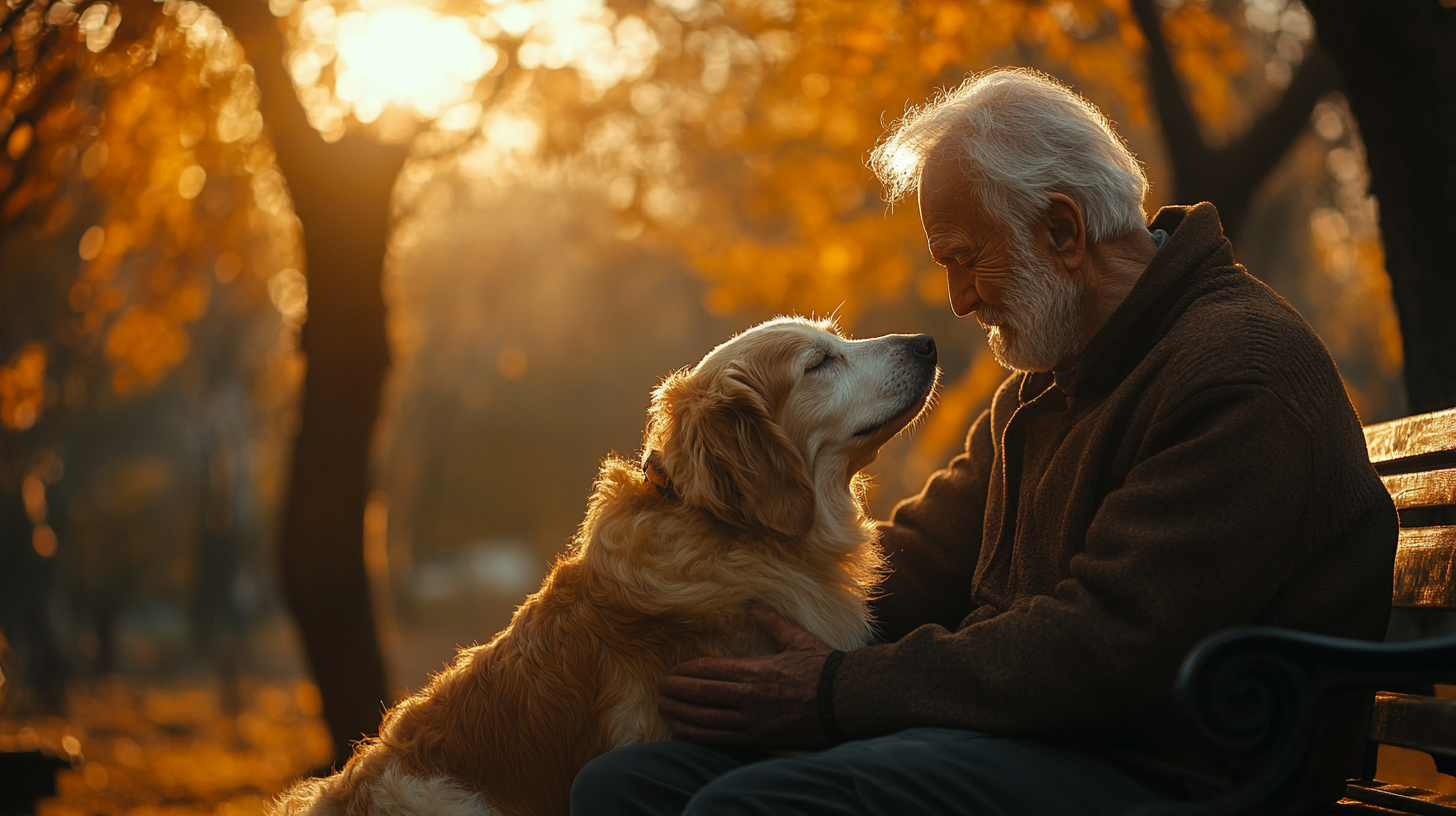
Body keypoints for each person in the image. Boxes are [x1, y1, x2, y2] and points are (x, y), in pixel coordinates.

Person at [571, 68, 1396, 816]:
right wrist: (705, 592)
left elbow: (1111, 644)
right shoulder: (1050, 383)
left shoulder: (1238, 375)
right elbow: (917, 563)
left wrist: (835, 692)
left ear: (1064, 233)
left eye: (967, 261)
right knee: (624, 788)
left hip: (1175, 775)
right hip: (1038, 738)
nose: (959, 300)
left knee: (755, 806)